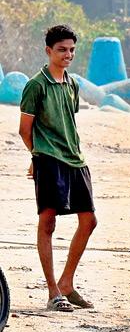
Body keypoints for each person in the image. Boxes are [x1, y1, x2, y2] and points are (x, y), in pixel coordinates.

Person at [19, 24, 97, 312]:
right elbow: (25, 129)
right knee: (48, 222)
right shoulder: (35, 86)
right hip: (49, 160)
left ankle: (67, 282)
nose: (68, 55)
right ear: (48, 51)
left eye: (72, 50)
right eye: (62, 49)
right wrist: (37, 157)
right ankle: (53, 292)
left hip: (75, 158)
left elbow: (69, 119)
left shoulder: (72, 83)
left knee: (89, 221)